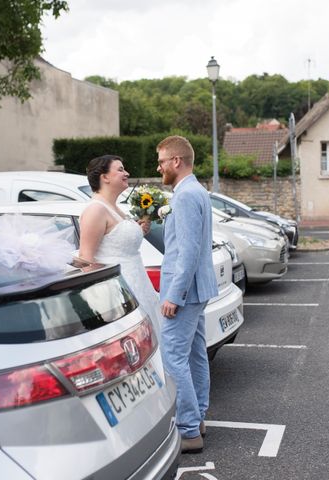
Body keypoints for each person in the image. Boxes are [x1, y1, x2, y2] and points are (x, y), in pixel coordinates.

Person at [156, 135, 218, 454]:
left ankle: (188, 428)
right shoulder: (197, 190)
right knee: (194, 354)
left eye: (163, 161)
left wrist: (173, 295)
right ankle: (199, 418)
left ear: (177, 162)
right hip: (198, 289)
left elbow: (189, 252)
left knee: (173, 357)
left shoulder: (184, 195)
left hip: (185, 291)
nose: (159, 167)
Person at [78, 155, 161, 336]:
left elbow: (116, 239)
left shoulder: (114, 208)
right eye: (120, 169)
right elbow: (85, 259)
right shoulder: (96, 210)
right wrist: (102, 303)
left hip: (137, 283)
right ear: (104, 177)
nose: (127, 173)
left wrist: (138, 230)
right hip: (118, 292)